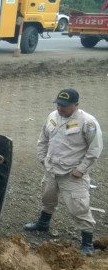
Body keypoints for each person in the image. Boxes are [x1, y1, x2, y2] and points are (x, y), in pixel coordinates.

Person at [24, 88, 103, 255]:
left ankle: (87, 242)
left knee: (79, 207)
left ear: (76, 105)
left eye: (65, 106)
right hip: (52, 169)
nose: (60, 108)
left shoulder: (88, 122)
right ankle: (43, 224)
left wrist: (81, 170)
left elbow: (94, 150)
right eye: (59, 104)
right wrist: (43, 159)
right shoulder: (53, 116)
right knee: (47, 197)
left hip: (72, 174)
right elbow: (43, 139)